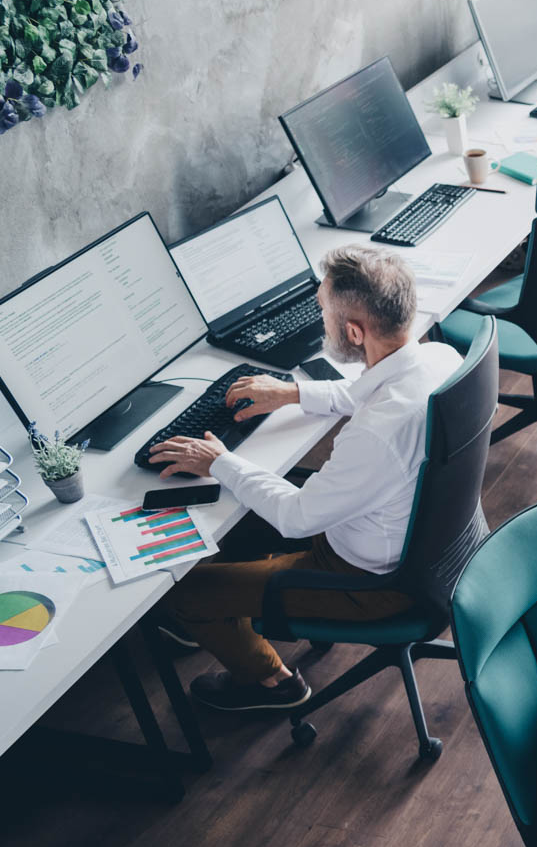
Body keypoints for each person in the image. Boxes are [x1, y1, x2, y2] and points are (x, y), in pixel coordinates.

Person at [147, 247, 460, 712]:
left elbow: (296, 517)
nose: (320, 320)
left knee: (185, 593)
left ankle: (273, 683)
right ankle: (235, 609)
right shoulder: (440, 359)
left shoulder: (376, 436)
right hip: (432, 549)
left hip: (370, 583)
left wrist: (218, 460)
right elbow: (369, 396)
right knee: (241, 517)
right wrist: (292, 392)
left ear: (354, 332)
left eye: (322, 311)